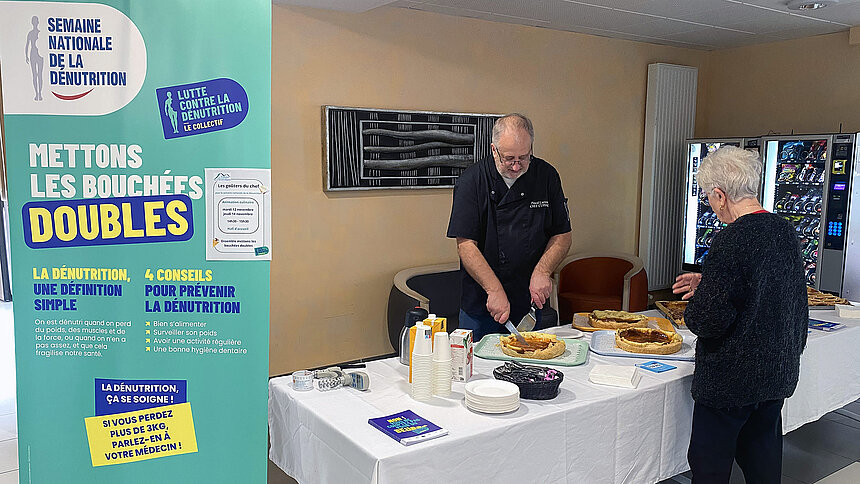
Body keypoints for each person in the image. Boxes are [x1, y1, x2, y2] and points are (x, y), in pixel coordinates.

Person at [672, 145, 808, 483]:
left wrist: (701, 295)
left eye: (708, 197)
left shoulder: (731, 239)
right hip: (777, 374)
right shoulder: (784, 231)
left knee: (710, 467)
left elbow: (708, 320)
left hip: (731, 382)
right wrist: (710, 279)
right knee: (763, 462)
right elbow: (773, 291)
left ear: (720, 195)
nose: (710, 205)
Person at [447, 113, 571, 342]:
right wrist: (494, 290)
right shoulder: (471, 181)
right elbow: (466, 246)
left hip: (531, 303)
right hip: (482, 305)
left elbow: (562, 235)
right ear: (494, 150)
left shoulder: (547, 176)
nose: (516, 166)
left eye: (524, 157)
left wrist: (543, 271)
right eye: (509, 158)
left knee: (535, 369)